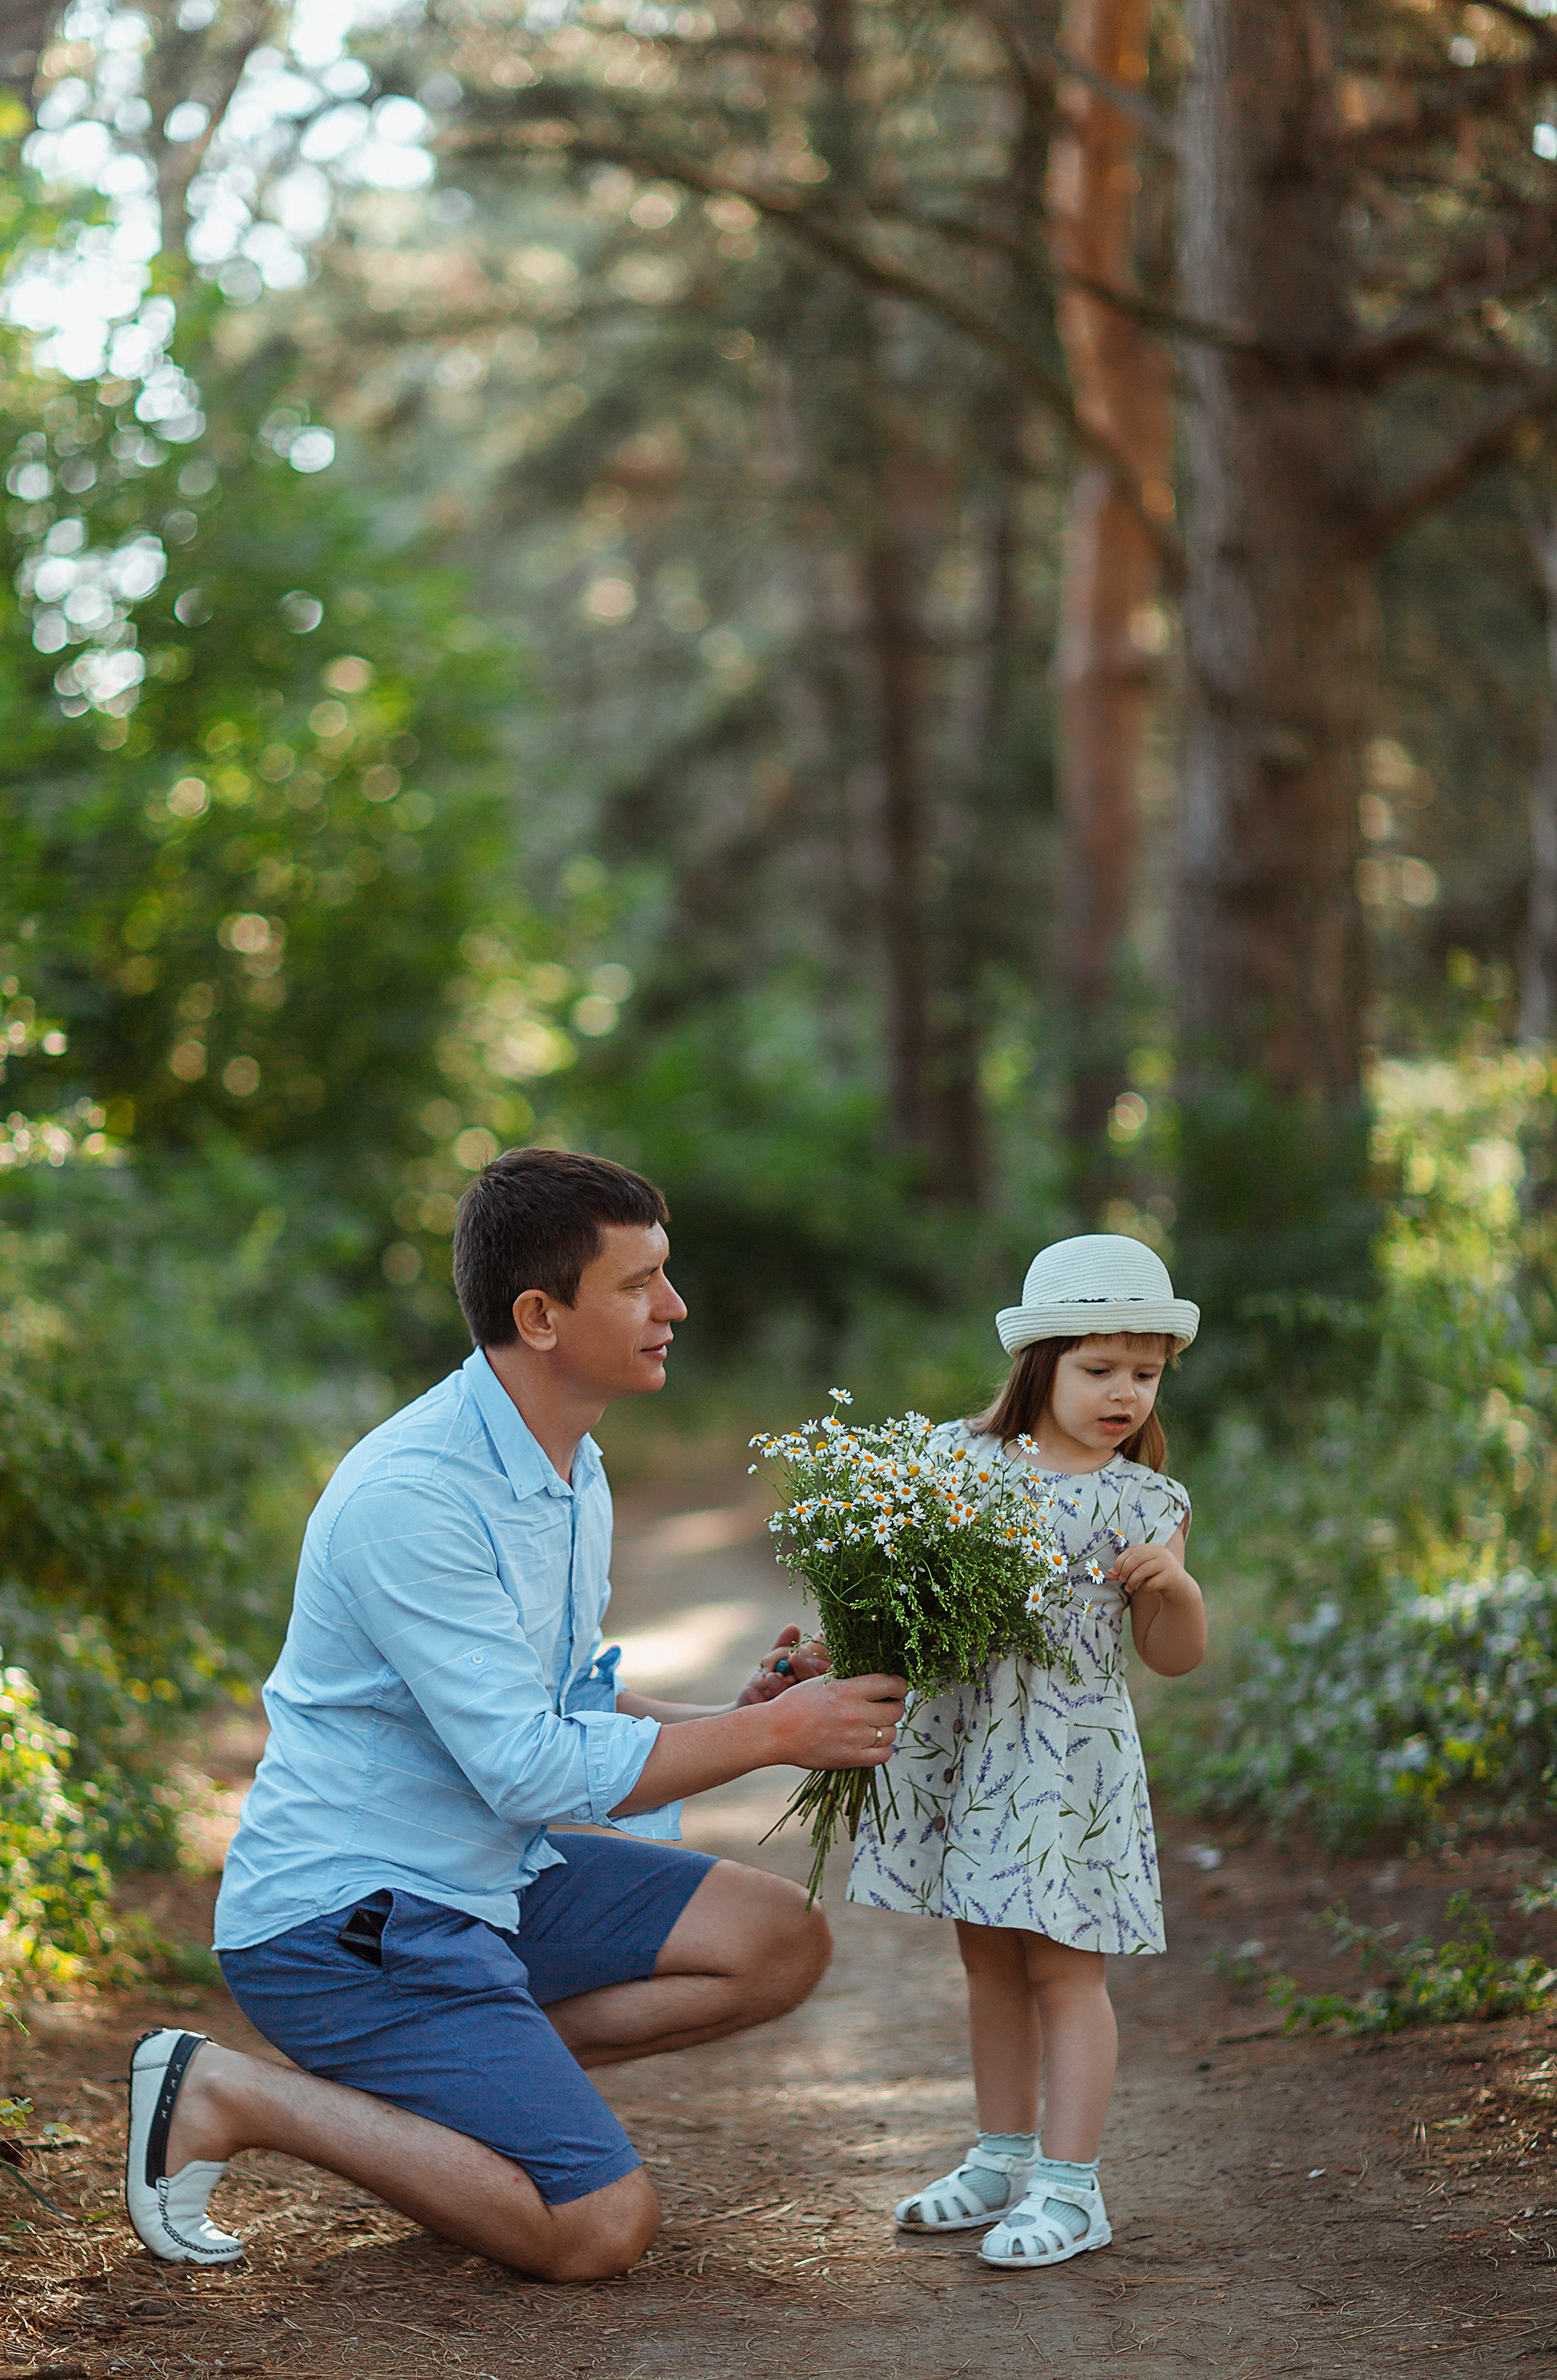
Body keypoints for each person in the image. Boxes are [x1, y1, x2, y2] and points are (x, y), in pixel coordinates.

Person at [124, 1148, 904, 2282]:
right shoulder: (416, 1497)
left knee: (774, 1938)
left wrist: (737, 1712)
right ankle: (230, 2092)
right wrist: (779, 1741)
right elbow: (531, 1772)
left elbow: (565, 1700)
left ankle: (445, 2105)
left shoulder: (566, 1459)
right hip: (349, 1924)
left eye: (666, 1275)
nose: (674, 1307)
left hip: (486, 1883)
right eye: (638, 1284)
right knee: (595, 2230)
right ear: (539, 1316)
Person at [846, 1234, 1207, 2270]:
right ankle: (1000, 2160)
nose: (1125, 1395)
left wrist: (1174, 1593)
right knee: (987, 1957)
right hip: (974, 1751)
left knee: (1063, 1969)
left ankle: (1073, 2188)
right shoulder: (958, 1464)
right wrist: (835, 1649)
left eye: (1144, 1375)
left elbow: (1172, 1657)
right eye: (1100, 1370)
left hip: (1066, 1766)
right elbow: (902, 1605)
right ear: (1038, 1363)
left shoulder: (1147, 1503)